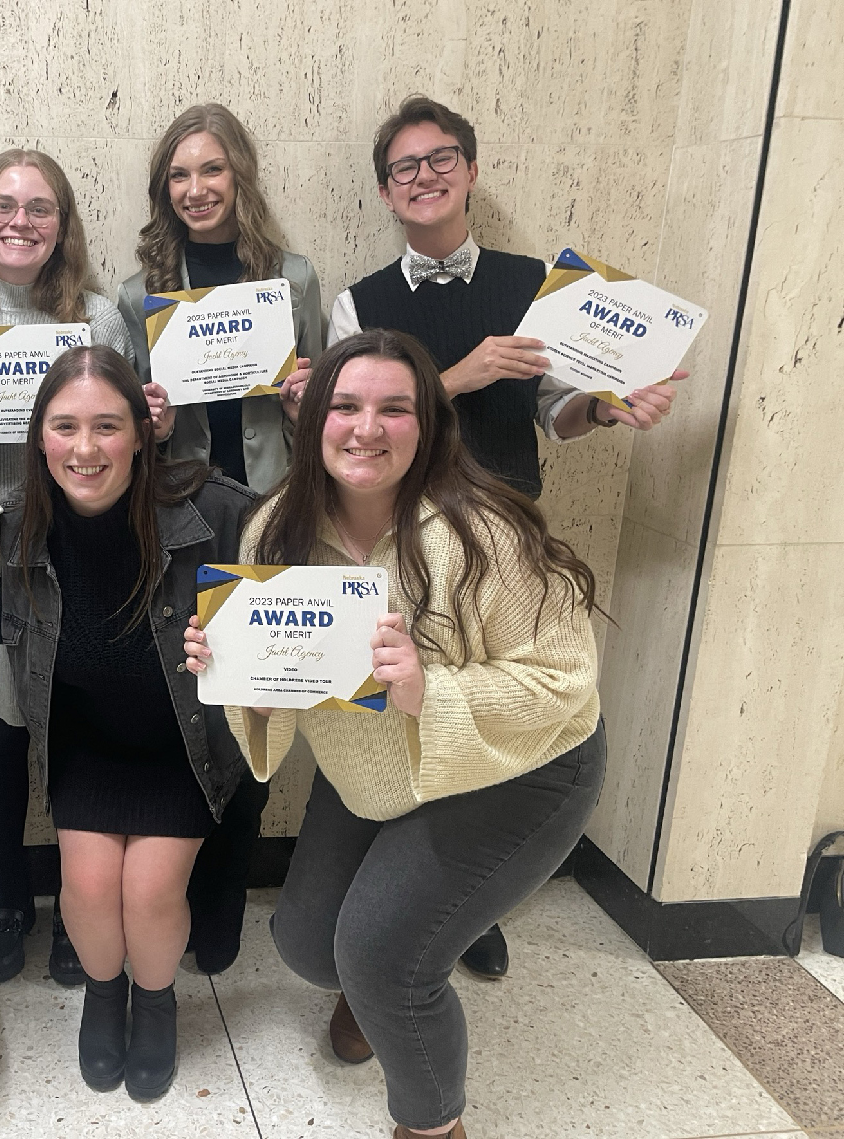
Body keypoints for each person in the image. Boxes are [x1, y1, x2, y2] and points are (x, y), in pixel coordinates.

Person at [185, 330, 606, 1139]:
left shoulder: (484, 530)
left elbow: (562, 680)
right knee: (310, 947)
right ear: (312, 421)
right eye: (343, 405)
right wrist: (234, 673)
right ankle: (379, 957)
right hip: (375, 768)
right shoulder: (272, 532)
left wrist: (426, 686)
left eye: (393, 408)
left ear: (428, 423)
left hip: (521, 768)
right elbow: (273, 699)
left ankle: (430, 1124)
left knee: (385, 962)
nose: (364, 428)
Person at [319, 93, 680, 984]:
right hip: (396, 539)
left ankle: (459, 899)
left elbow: (557, 411)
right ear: (384, 192)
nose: (425, 176)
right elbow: (352, 425)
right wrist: (462, 374)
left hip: (504, 538)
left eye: (441, 158)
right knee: (395, 707)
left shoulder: (538, 285)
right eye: (406, 167)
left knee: (481, 705)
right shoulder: (354, 302)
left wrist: (607, 404)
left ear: (471, 171)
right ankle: (384, 898)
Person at [0, 148, 151, 988]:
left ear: (63, 224)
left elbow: (122, 433)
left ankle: (72, 905)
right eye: (3, 205)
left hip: (66, 545)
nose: (20, 221)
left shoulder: (96, 318)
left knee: (67, 717)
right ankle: (12, 894)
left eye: (40, 207)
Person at [0, 345, 255, 1100]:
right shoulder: (13, 527)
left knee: (146, 892)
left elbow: (292, 594)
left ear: (143, 433)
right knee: (83, 886)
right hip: (83, 747)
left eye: (107, 426)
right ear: (39, 436)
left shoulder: (217, 512)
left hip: (180, 748)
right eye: (65, 425)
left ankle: (156, 1001)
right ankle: (103, 997)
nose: (84, 448)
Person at [117, 102, 323, 975]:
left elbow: (325, 412)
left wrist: (305, 401)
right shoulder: (138, 294)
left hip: (271, 509)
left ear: (238, 175)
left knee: (257, 708)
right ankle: (183, 887)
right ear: (163, 191)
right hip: (187, 512)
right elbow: (130, 429)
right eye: (179, 175)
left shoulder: (295, 279)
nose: (196, 189)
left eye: (211, 170)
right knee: (192, 703)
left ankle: (226, 898)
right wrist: (151, 420)